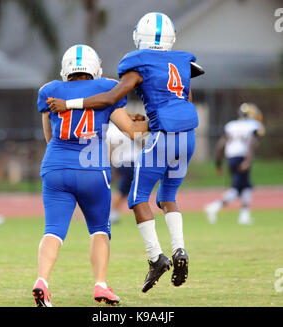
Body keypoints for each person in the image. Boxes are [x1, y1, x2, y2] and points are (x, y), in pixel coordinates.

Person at [47, 12, 204, 293]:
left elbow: (110, 98)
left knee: (136, 197)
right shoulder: (182, 61)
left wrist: (69, 103)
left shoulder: (138, 63)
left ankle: (156, 257)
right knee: (167, 197)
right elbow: (184, 98)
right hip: (189, 136)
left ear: (139, 36)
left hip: (163, 136)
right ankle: (180, 249)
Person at [33, 44, 149, 307]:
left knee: (53, 231)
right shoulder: (106, 87)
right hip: (92, 169)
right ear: (94, 67)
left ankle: (42, 281)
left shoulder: (49, 91)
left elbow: (50, 137)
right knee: (99, 231)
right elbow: (132, 131)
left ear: (66, 70)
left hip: (56, 167)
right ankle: (100, 286)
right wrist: (156, 121)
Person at [204, 103, 265, 225]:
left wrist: (218, 164)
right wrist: (247, 161)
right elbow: (251, 143)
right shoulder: (253, 125)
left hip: (231, 158)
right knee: (238, 188)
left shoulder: (231, 125)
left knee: (246, 186)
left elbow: (220, 145)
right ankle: (214, 207)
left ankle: (244, 215)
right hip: (242, 157)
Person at [106, 120, 144, 224]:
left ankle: (114, 212)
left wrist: (109, 166)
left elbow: (109, 150)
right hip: (131, 161)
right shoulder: (126, 125)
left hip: (120, 162)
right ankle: (112, 213)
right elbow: (141, 143)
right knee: (124, 189)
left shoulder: (110, 129)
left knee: (126, 189)